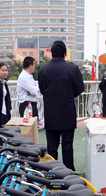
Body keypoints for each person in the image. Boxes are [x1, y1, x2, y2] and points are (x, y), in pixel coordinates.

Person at [38, 40, 84, 170]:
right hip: (67, 112)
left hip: (50, 112)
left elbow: (42, 90)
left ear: (51, 53)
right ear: (65, 53)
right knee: (67, 144)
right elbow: (80, 88)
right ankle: (69, 171)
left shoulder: (43, 70)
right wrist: (69, 95)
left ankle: (53, 172)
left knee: (52, 146)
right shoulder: (72, 68)